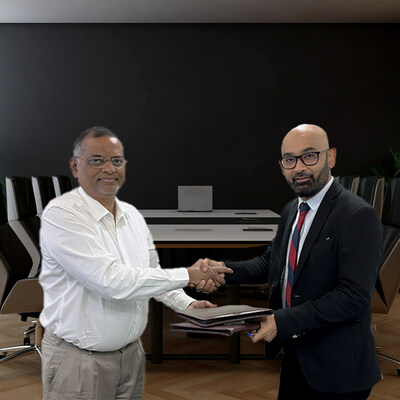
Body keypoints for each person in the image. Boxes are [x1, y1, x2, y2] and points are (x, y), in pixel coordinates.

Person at [38, 126, 232, 400]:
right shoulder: (62, 215)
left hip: (130, 356)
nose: (109, 168)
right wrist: (188, 275)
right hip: (79, 361)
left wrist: (187, 304)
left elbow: (149, 274)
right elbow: (111, 281)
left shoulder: (131, 215)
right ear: (74, 165)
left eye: (116, 161)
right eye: (97, 160)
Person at [198, 124, 383, 399]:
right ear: (282, 165)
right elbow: (271, 264)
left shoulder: (357, 215)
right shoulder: (291, 209)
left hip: (338, 369)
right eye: (289, 160)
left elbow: (353, 297)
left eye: (309, 156)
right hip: (297, 354)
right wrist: (224, 271)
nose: (299, 167)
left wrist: (281, 321)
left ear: (330, 157)